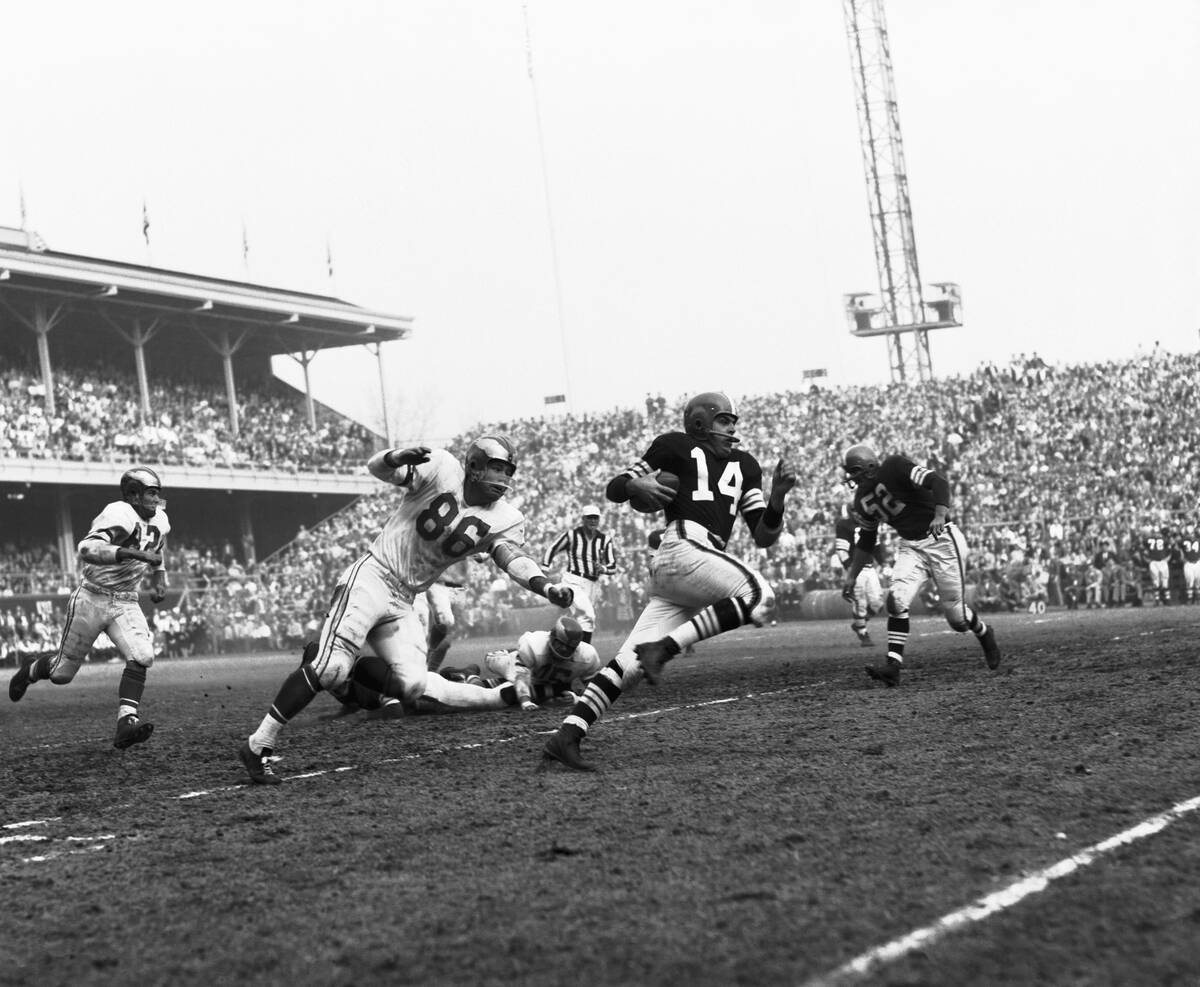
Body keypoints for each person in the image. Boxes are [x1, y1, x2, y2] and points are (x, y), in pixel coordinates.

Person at [238, 436, 574, 784]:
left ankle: (349, 670)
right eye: (497, 469)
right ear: (473, 466)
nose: (503, 480)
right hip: (374, 574)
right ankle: (259, 743)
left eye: (508, 472)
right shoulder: (442, 468)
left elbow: (511, 557)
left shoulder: (507, 517)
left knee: (412, 685)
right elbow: (376, 467)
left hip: (406, 598)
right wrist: (397, 456)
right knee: (330, 668)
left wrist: (545, 586)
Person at [541, 391, 796, 771]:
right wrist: (633, 487)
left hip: (691, 564)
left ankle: (568, 734)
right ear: (700, 423)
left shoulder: (746, 465)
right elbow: (615, 487)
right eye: (724, 421)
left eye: (733, 422)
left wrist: (777, 499)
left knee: (628, 667)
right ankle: (664, 649)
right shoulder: (674, 445)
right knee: (760, 597)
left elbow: (763, 535)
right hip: (683, 546)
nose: (732, 428)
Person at [9, 467, 170, 749]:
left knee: (143, 654)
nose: (156, 500)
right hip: (92, 598)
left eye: (157, 493)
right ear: (133, 494)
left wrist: (159, 577)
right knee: (61, 673)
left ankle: (126, 721)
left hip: (125, 600)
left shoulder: (162, 520)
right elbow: (87, 548)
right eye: (151, 493)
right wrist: (129, 553)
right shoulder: (118, 512)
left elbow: (158, 550)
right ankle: (32, 668)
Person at [840, 444, 1001, 687]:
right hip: (911, 546)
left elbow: (938, 482)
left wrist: (939, 514)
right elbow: (867, 539)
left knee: (957, 619)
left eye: (855, 471)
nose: (852, 478)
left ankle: (984, 632)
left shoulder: (894, 466)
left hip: (941, 539)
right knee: (896, 600)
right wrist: (852, 576)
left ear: (870, 467)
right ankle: (893, 666)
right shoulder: (861, 500)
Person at [541, 504, 618, 642]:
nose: (593, 521)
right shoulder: (572, 535)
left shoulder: (605, 540)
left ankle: (555, 645)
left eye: (595, 518)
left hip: (593, 584)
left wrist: (604, 569)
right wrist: (544, 569)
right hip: (573, 580)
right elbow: (553, 548)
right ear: (583, 519)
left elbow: (613, 566)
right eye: (590, 518)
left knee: (576, 620)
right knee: (588, 616)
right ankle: (585, 650)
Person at [834, 504, 884, 646]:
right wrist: (850, 569)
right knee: (859, 602)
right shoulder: (844, 525)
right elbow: (842, 550)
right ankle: (863, 633)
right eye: (854, 511)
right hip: (856, 568)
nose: (857, 514)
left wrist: (883, 563)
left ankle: (859, 624)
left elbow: (877, 546)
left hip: (869, 567)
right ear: (850, 512)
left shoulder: (870, 522)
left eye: (859, 511)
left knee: (877, 603)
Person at [1182, 528, 1200, 605]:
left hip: (1197, 562)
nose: (1191, 535)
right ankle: (1190, 599)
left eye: (1192, 534)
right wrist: (1182, 558)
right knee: (1189, 581)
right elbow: (1179, 550)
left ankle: (1197, 599)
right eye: (1189, 534)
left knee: (1198, 582)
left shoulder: (1198, 541)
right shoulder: (1183, 541)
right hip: (1188, 563)